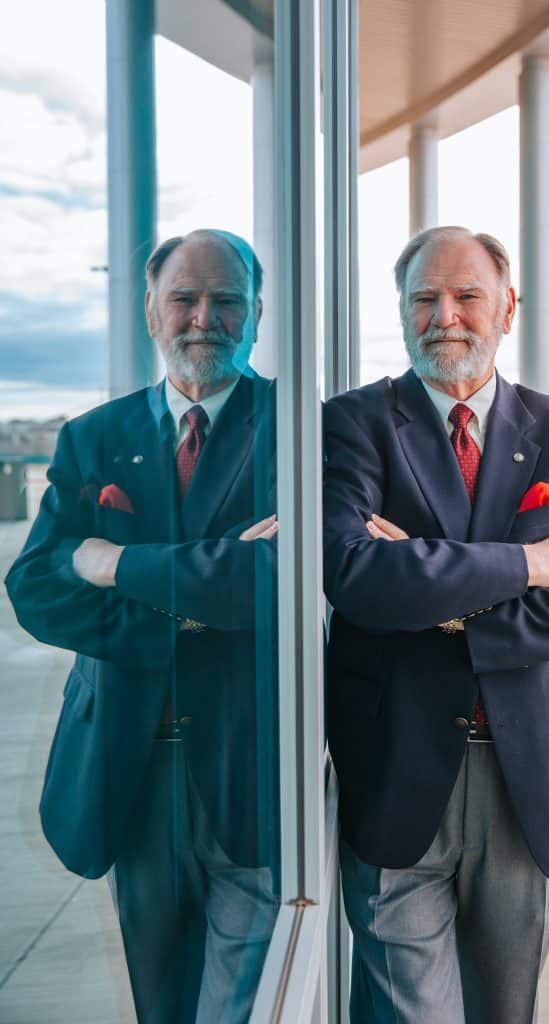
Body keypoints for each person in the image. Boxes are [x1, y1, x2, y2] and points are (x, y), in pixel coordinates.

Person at [323, 226, 549, 1023]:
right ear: (400, 311)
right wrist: (531, 565)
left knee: (507, 1008)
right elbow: (356, 578)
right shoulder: (349, 425)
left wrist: (441, 600)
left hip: (533, 769)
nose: (446, 315)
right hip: (395, 765)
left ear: (508, 307)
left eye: (466, 295)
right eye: (424, 298)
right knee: (411, 1012)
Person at [5, 229, 280, 1024]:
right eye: (184, 298)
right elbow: (35, 589)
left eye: (227, 300)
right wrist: (204, 593)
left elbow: (274, 587)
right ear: (150, 312)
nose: (205, 317)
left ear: (256, 313)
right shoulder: (94, 438)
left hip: (252, 762)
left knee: (241, 1002)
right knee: (158, 998)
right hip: (130, 762)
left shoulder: (304, 429)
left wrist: (114, 564)